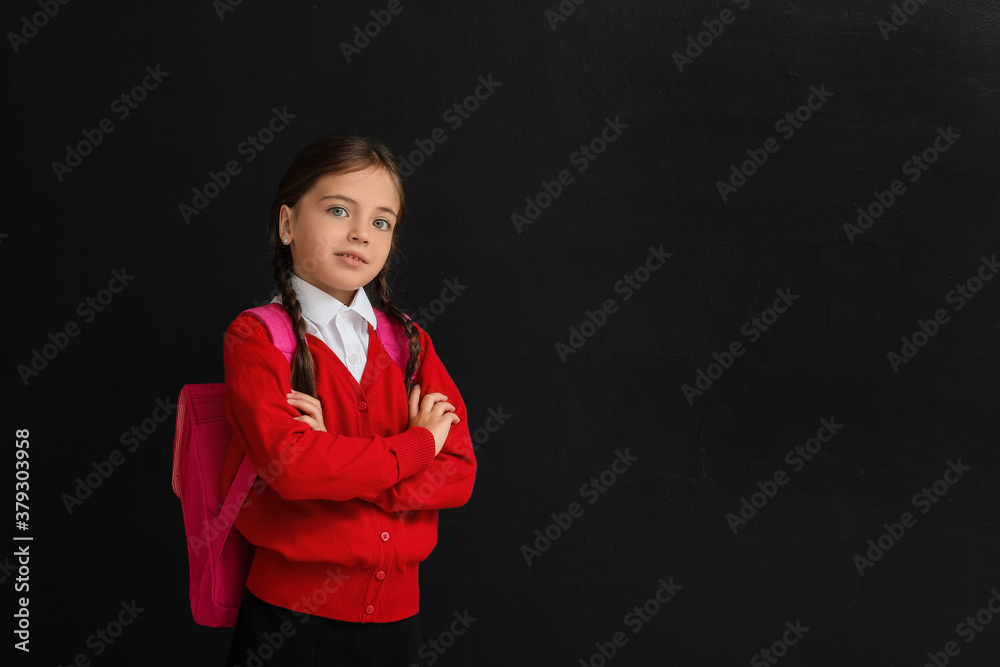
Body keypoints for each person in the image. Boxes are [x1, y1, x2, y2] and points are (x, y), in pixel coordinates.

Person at [220, 134, 477, 666]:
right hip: (287, 621)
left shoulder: (409, 342)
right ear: (288, 224)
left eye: (381, 222)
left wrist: (335, 461)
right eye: (338, 209)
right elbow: (292, 469)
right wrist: (417, 444)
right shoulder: (257, 339)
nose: (361, 232)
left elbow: (459, 470)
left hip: (398, 622)